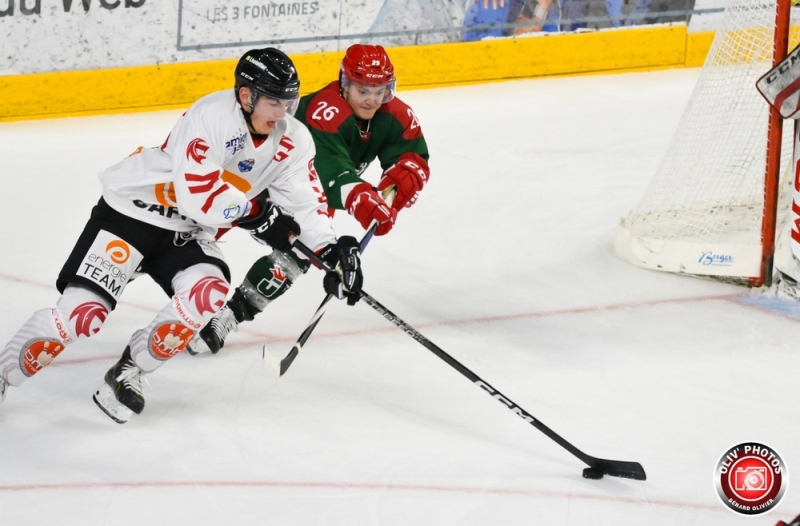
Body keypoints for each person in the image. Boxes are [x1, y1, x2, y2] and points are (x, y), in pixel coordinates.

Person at [0, 48, 365, 424]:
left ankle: (129, 370)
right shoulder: (211, 116)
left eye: (289, 102)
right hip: (133, 214)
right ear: (246, 96)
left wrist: (330, 249)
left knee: (208, 293)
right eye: (273, 102)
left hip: (188, 233)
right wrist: (255, 214)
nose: (282, 113)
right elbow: (198, 194)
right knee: (81, 315)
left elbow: (305, 202)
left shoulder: (294, 141)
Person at [187, 44, 430, 356]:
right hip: (256, 172)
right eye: (362, 90)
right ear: (344, 83)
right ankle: (129, 262)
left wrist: (404, 178)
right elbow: (331, 169)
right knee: (194, 227)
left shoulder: (395, 114)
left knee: (299, 254)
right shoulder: (324, 111)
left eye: (380, 90)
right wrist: (360, 197)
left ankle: (229, 315)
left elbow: (410, 154)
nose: (372, 99)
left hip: (303, 188)